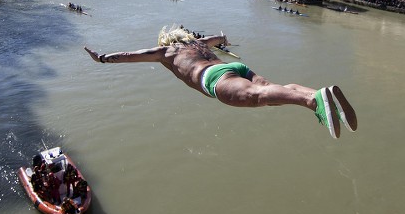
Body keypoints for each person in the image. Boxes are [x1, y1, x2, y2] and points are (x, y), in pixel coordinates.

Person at [84, 25, 357, 138]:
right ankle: (317, 98)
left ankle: (313, 99)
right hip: (234, 66)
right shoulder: (197, 42)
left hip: (212, 77)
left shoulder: (167, 52)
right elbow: (219, 37)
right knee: (270, 93)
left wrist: (104, 58)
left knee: (255, 98)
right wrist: (223, 39)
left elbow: (131, 56)